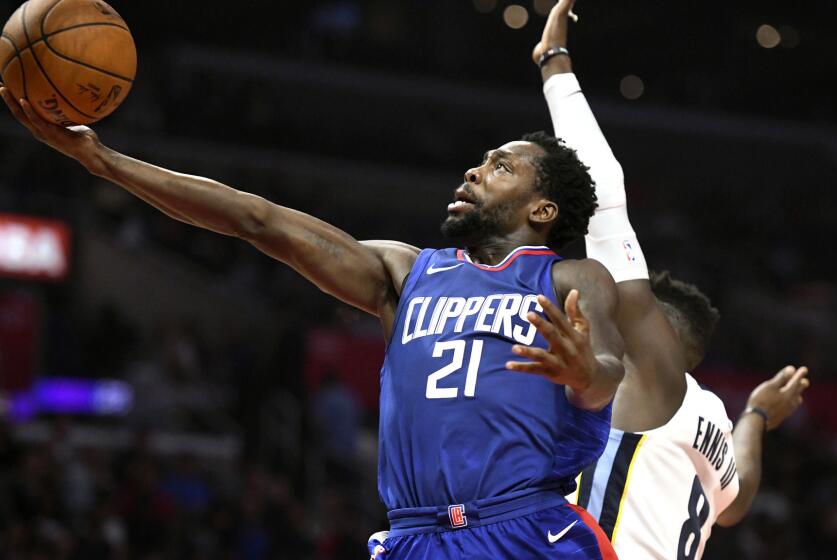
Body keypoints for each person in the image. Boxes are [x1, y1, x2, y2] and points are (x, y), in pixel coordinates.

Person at [1, 67, 626, 556]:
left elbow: (606, 374)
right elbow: (255, 219)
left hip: (522, 533)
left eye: (500, 166)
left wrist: (581, 375)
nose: (474, 170)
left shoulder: (571, 277)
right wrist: (103, 161)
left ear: (542, 210)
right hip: (413, 539)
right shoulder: (406, 275)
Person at [534, 2, 810, 558]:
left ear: (654, 334)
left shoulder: (645, 372)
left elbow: (603, 198)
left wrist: (554, 66)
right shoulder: (707, 419)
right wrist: (755, 415)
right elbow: (739, 500)